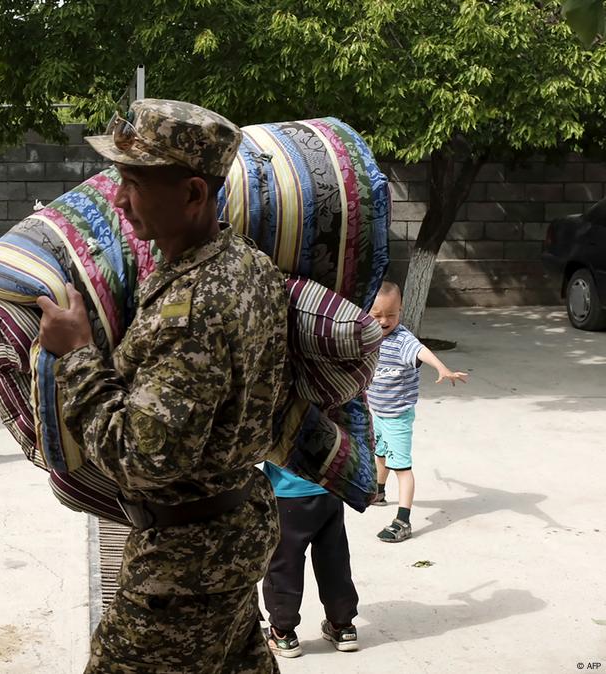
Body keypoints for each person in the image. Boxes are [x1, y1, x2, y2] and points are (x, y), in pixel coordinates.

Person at [36, 100, 288, 672]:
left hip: (183, 572)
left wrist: (75, 355)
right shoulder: (245, 262)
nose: (118, 200)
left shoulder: (193, 307)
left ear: (195, 195)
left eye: (133, 183)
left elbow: (145, 457)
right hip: (228, 541)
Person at [367, 281, 468, 542]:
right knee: (379, 453)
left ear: (401, 310)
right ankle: (378, 493)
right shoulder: (368, 334)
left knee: (401, 467)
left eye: (391, 314)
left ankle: (403, 520)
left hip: (397, 416)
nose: (384, 321)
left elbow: (421, 350)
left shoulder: (403, 340)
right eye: (377, 315)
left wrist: (441, 367)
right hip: (377, 412)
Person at [261, 462, 360, 658]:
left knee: (285, 563)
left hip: (288, 494)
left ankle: (282, 632)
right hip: (330, 489)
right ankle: (343, 626)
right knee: (334, 558)